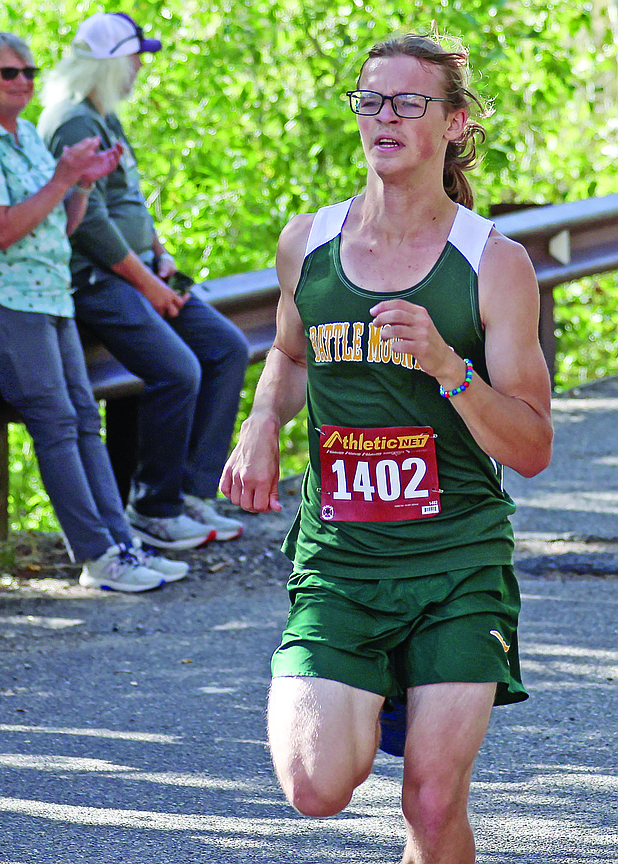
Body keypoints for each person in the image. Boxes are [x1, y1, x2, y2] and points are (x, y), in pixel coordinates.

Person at [221, 33, 553, 863]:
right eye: (371, 100)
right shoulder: (309, 242)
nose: (386, 117)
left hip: (457, 561)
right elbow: (291, 353)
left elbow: (534, 444)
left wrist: (448, 365)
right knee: (314, 785)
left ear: (454, 123)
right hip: (343, 562)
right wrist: (261, 423)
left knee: (434, 804)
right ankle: (371, 686)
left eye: (410, 102)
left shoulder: (494, 264)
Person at [0, 32, 189, 593]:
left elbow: (66, 223)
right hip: (1, 295)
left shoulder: (28, 135)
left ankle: (122, 548)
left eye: (29, 71)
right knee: (55, 423)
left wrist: (80, 184)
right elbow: (2, 230)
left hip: (50, 292)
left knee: (83, 417)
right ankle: (98, 557)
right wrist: (62, 179)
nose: (24, 81)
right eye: (10, 72)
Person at [37, 12, 249, 552]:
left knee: (225, 347)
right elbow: (89, 223)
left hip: (140, 271)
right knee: (178, 371)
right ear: (107, 64)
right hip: (99, 279)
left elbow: (129, 200)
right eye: (134, 58)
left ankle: (189, 492)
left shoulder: (103, 115)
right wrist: (147, 283)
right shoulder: (72, 122)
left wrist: (160, 256)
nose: (138, 68)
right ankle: (154, 507)